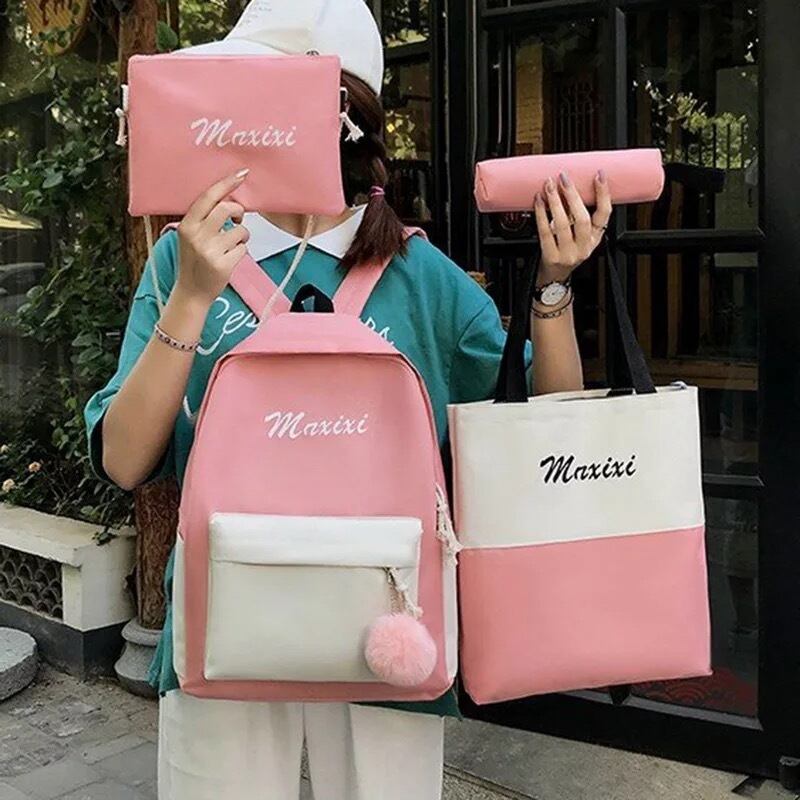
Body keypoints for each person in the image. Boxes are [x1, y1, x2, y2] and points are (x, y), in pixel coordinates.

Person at [84, 2, 612, 798]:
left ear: (338, 115)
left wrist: (554, 286)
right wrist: (190, 298)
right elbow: (125, 462)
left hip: (388, 625)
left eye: (258, 93)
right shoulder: (186, 259)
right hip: (224, 619)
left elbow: (549, 423)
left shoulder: (418, 273)